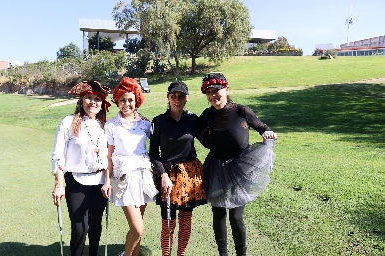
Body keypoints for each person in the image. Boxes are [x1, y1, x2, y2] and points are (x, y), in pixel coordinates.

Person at [197, 73, 277, 256]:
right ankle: (223, 254)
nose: (212, 96)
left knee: (236, 215)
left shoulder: (241, 111)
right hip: (216, 168)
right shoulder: (207, 115)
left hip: (240, 169)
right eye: (208, 93)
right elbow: (195, 131)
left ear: (226, 90)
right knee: (218, 214)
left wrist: (268, 133)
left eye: (216, 91)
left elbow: (261, 126)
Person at [51, 81, 112, 256]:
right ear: (81, 101)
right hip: (76, 182)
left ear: (102, 104)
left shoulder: (105, 126)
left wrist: (107, 181)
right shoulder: (68, 122)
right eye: (88, 98)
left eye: (97, 99)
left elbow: (108, 157)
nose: (93, 102)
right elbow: (58, 155)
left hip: (99, 182)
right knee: (79, 229)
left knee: (95, 227)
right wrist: (59, 185)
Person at [149, 81, 207, 256]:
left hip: (189, 175)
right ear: (168, 97)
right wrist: (163, 174)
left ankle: (180, 254)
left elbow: (207, 141)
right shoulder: (159, 122)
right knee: (168, 222)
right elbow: (153, 153)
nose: (177, 100)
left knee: (186, 221)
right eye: (173, 96)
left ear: (186, 98)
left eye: (181, 96)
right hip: (167, 176)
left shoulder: (193, 120)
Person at [101, 77, 158, 256]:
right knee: (138, 228)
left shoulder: (146, 124)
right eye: (122, 100)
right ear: (117, 101)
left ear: (137, 100)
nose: (127, 104)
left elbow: (158, 147)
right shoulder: (111, 125)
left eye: (130, 100)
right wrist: (107, 181)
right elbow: (108, 156)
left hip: (143, 176)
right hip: (123, 178)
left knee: (137, 228)